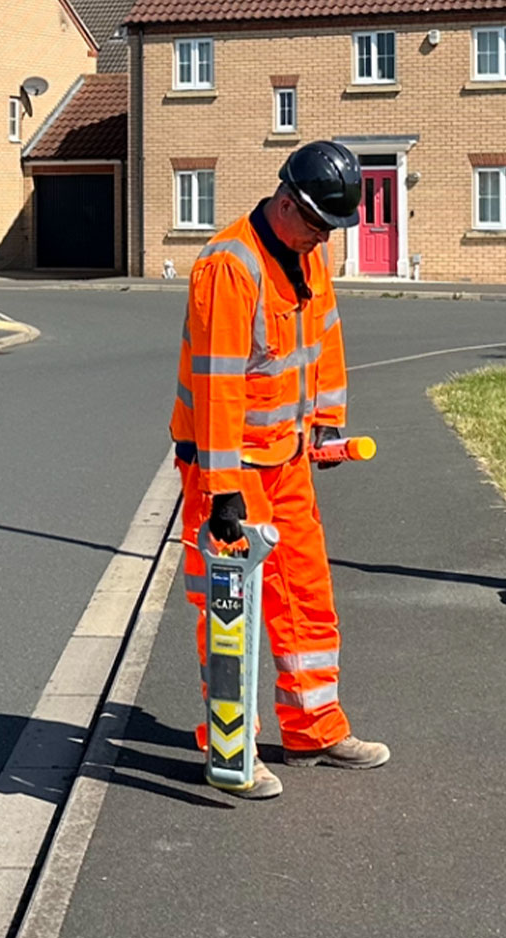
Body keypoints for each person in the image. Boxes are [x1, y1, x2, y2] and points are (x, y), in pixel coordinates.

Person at [169, 140, 390, 800]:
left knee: (305, 590)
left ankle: (314, 727)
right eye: (318, 224)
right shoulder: (229, 266)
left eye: (332, 229)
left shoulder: (307, 254)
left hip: (286, 456)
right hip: (228, 462)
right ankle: (230, 750)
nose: (324, 239)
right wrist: (223, 491)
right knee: (231, 608)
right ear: (287, 202)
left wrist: (327, 424)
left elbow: (324, 338)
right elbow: (217, 385)